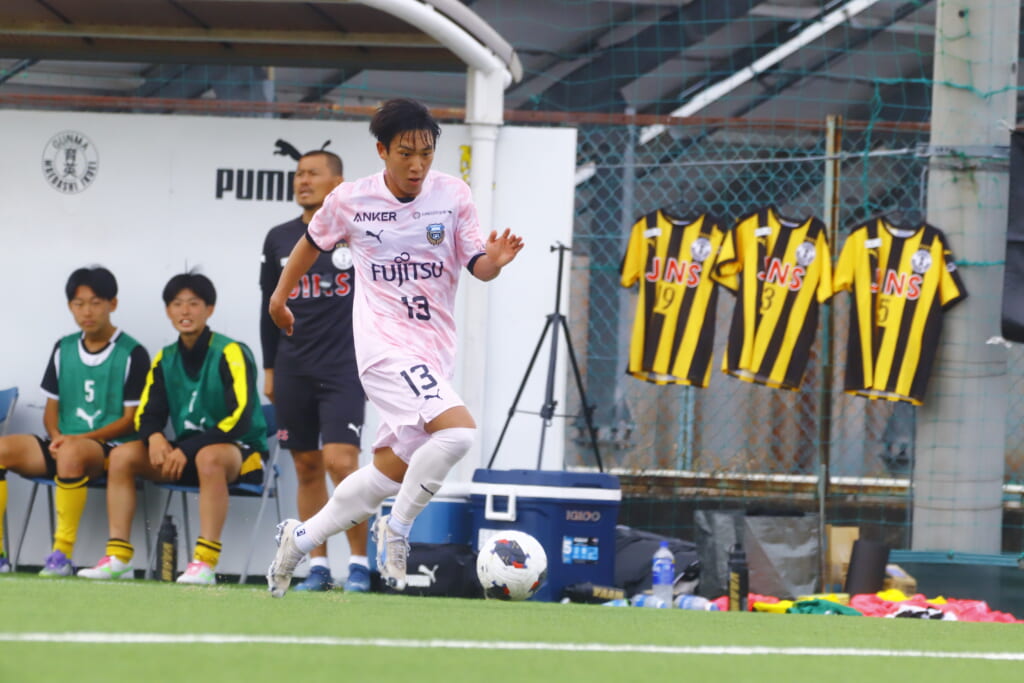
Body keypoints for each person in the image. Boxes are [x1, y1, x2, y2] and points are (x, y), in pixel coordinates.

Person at [266, 98, 524, 597]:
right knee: (458, 434)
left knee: (388, 474)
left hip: (432, 352)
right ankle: (398, 528)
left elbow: (477, 265)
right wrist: (280, 298)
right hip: (383, 347)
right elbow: (311, 243)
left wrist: (494, 261)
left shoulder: (453, 195)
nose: (417, 165)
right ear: (382, 151)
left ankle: (299, 539)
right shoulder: (350, 200)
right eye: (406, 153)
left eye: (426, 153)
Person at [79, 271, 267, 585]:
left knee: (209, 457)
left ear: (209, 309)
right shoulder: (165, 358)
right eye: (177, 304)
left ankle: (204, 564)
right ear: (168, 311)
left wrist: (186, 449)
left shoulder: (231, 351)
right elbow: (147, 414)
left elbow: (240, 418)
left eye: (193, 303)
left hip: (239, 454)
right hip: (186, 455)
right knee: (123, 456)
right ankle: (119, 558)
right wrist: (154, 438)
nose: (185, 311)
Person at [259, 149, 370, 592]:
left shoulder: (357, 231)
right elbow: (268, 305)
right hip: (293, 368)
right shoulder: (279, 238)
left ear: (337, 183)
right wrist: (270, 367)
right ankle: (318, 566)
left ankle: (359, 564)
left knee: (342, 463)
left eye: (313, 174)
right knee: (306, 466)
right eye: (299, 174)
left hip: (345, 366)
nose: (303, 181)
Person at [0, 267, 149, 576]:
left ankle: (61, 556)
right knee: (2, 449)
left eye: (95, 302)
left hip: (106, 448)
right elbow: (51, 411)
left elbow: (130, 420)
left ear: (112, 304)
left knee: (71, 452)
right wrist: (56, 436)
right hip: (63, 443)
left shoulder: (132, 353)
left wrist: (79, 440)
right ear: (70, 306)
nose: (87, 312)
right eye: (79, 304)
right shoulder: (63, 348)